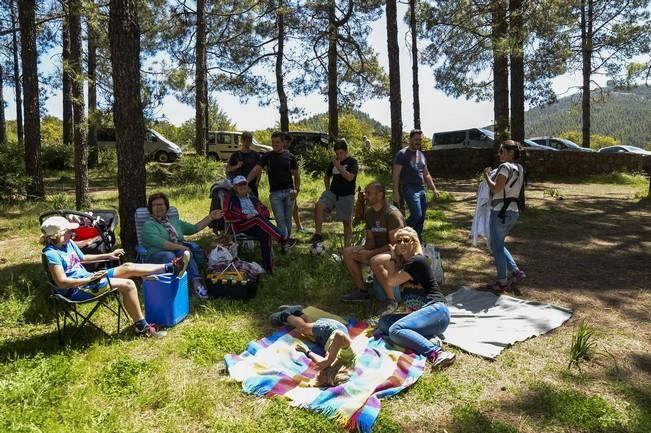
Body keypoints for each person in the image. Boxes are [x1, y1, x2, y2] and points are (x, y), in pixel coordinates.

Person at [41, 216, 190, 338]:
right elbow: (62, 282)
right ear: (58, 234)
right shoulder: (51, 254)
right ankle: (142, 328)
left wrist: (108, 255)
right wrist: (89, 280)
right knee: (128, 284)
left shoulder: (68, 244)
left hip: (89, 278)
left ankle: (172, 267)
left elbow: (83, 258)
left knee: (127, 267)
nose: (72, 234)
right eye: (68, 231)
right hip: (78, 288)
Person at [374, 227, 456, 370]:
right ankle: (429, 339)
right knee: (384, 321)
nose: (402, 244)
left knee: (395, 330)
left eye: (406, 240)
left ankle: (436, 353)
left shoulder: (416, 261)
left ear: (414, 242)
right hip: (423, 316)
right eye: (398, 241)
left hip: (436, 311)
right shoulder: (406, 264)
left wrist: (393, 256)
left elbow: (391, 281)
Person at [142, 192, 223, 299]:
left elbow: (194, 228)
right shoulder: (148, 225)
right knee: (170, 256)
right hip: (156, 255)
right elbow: (161, 243)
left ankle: (196, 284)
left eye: (161, 204)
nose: (159, 207)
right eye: (155, 205)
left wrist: (211, 217)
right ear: (150, 209)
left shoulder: (174, 222)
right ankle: (176, 287)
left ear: (166, 207)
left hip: (177, 252)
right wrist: (181, 247)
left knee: (184, 254)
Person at [340, 182, 404, 303]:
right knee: (348, 252)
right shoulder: (369, 213)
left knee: (376, 261)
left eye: (368, 193)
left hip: (397, 252)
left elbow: (395, 245)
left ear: (380, 195)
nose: (365, 196)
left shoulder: (392, 214)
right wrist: (363, 250)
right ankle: (362, 292)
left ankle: (391, 300)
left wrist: (371, 253)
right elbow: (371, 239)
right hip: (379, 249)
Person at [223, 176, 296, 272]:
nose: (242, 186)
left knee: (265, 233)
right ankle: (283, 239)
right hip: (241, 225)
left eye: (244, 184)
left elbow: (265, 211)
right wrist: (245, 216)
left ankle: (268, 268)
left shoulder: (253, 198)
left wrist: (261, 216)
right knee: (257, 218)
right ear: (235, 187)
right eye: (239, 184)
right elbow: (227, 214)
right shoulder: (230, 199)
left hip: (257, 224)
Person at [270, 305, 355, 387]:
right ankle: (284, 315)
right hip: (332, 329)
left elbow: (322, 362)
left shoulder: (334, 369)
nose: (320, 370)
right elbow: (339, 335)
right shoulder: (347, 357)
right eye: (321, 372)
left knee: (310, 334)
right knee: (303, 328)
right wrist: (329, 359)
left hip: (325, 340)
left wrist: (307, 351)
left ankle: (296, 311)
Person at [483, 140, 526, 292]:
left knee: (497, 247)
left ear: (511, 153)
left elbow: (496, 189)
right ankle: (515, 272)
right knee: (499, 245)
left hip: (501, 212)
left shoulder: (504, 167)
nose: (499, 154)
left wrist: (487, 176)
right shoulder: (520, 168)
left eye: (502, 151)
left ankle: (502, 282)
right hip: (513, 212)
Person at [247, 131, 300, 247]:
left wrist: (297, 189)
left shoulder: (290, 156)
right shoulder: (267, 156)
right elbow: (256, 169)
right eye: (273, 142)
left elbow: (296, 174)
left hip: (289, 192)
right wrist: (246, 181)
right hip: (275, 193)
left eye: (277, 142)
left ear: (283, 143)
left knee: (288, 219)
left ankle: (286, 240)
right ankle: (284, 242)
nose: (275, 145)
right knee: (280, 219)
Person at [392, 129, 441, 242]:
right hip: (409, 189)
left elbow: (426, 174)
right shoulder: (402, 154)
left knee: (421, 218)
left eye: (420, 140)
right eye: (415, 139)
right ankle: (399, 232)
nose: (418, 142)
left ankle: (418, 241)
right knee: (417, 215)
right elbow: (396, 175)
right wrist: (395, 192)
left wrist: (434, 189)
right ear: (410, 139)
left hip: (421, 189)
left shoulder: (421, 155)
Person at [309, 138, 359, 247]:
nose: (339, 155)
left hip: (347, 195)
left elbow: (350, 177)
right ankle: (318, 234)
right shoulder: (334, 162)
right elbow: (327, 175)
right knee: (319, 205)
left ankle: (347, 246)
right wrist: (327, 189)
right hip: (332, 193)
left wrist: (338, 166)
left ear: (346, 151)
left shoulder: (352, 162)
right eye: (337, 153)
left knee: (346, 222)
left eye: (341, 153)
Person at [226, 131, 261, 197]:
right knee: (239, 205)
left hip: (251, 185)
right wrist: (237, 166)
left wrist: (257, 183)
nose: (246, 142)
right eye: (244, 140)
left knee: (254, 204)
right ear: (241, 140)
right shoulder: (236, 154)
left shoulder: (255, 154)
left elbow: (259, 170)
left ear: (251, 141)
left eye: (248, 140)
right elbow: (228, 169)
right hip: (238, 186)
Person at [282, 132, 305, 232]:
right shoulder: (276, 153)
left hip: (289, 184)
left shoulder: (290, 155)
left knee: (294, 206)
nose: (287, 145)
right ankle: (284, 229)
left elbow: (295, 171)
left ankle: (299, 226)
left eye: (289, 143)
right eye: (285, 142)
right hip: (278, 186)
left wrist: (297, 187)